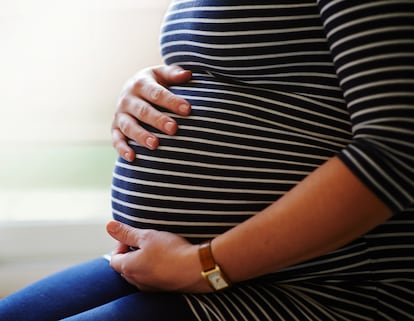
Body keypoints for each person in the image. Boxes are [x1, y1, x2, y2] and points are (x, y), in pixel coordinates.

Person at [1, 0, 413, 320]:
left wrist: (204, 267)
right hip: (191, 267)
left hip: (330, 286)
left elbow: (397, 147)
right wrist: (146, 90)